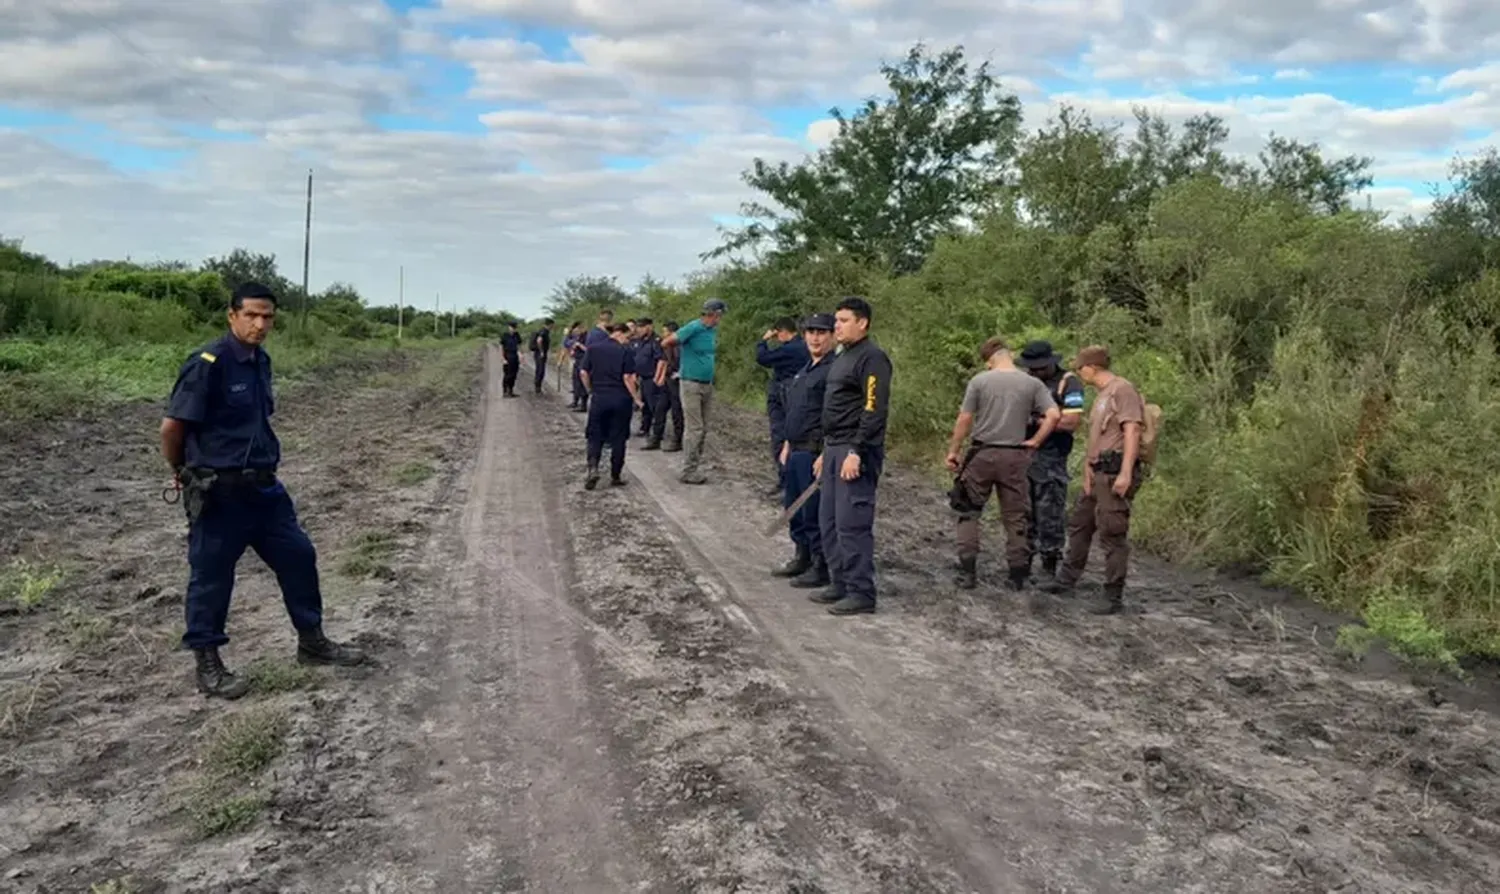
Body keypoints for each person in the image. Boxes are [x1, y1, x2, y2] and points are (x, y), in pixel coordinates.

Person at [160, 281, 366, 700]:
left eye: (267, 317)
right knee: (212, 578)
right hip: (220, 493)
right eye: (251, 315)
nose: (259, 324)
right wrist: (182, 471)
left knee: (299, 557)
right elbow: (172, 427)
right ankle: (209, 665)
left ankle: (312, 642)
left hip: (265, 490)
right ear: (231, 315)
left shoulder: (260, 361)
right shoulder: (207, 364)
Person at [945, 337, 1061, 591]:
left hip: (982, 454)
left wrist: (953, 451)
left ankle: (967, 573)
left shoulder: (979, 381)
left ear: (991, 358)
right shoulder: (1032, 383)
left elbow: (965, 418)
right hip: (1015, 457)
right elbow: (1053, 415)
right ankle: (1016, 576)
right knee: (1016, 516)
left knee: (969, 511)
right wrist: (1035, 441)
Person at [1041, 345, 1145, 615]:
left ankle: (1113, 595)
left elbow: (1131, 430)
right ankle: (1066, 579)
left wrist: (1125, 472)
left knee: (1112, 532)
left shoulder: (1123, 390)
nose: (1078, 372)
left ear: (1093, 367)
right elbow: (1098, 435)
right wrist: (1088, 466)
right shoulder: (1102, 395)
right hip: (1097, 470)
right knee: (1080, 524)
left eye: (1080, 367)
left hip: (1113, 471)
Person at [808, 297, 891, 616]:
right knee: (828, 520)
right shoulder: (843, 356)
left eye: (843, 320)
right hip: (833, 448)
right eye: (837, 320)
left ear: (863, 323)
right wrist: (825, 451)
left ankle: (861, 591)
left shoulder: (872, 359)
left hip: (855, 450)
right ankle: (839, 581)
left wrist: (857, 450)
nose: (836, 326)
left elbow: (873, 410)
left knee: (851, 523)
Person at [771, 313, 836, 588]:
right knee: (794, 507)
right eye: (811, 332)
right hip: (794, 449)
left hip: (813, 452)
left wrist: (825, 452)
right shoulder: (806, 368)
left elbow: (832, 416)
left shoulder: (833, 370)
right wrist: (786, 442)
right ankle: (802, 556)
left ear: (832, 335)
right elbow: (796, 411)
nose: (815, 338)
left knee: (813, 511)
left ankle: (820, 565)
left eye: (821, 332)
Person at [1018, 340, 1085, 582]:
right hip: (1024, 455)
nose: (1033, 372)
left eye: (1037, 368)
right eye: (1030, 369)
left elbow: (1071, 422)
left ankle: (1049, 565)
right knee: (1023, 512)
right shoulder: (1026, 382)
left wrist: (1040, 422)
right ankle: (1021, 563)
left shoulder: (1068, 383)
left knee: (1050, 513)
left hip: (1052, 457)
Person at [659, 298, 726, 484]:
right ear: (714, 313)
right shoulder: (693, 327)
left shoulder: (711, 331)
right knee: (695, 428)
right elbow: (667, 342)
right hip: (691, 383)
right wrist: (677, 362)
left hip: (707, 383)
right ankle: (688, 470)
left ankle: (694, 465)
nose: (719, 319)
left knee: (703, 428)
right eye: (719, 315)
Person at [579, 322, 644, 489]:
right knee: (619, 438)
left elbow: (583, 372)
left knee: (595, 436)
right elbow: (628, 378)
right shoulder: (625, 351)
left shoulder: (593, 349)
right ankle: (615, 475)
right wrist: (636, 398)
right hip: (621, 400)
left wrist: (590, 390)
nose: (628, 341)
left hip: (600, 398)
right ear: (620, 333)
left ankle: (593, 468)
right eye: (627, 337)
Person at [756, 317, 810, 497]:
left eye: (777, 333)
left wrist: (763, 341)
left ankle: (786, 483)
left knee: (781, 438)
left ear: (782, 331)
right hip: (799, 397)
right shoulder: (804, 346)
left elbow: (763, 358)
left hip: (784, 396)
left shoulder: (790, 348)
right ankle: (791, 483)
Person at [651, 320, 685, 452]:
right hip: (667, 381)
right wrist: (660, 377)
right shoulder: (667, 346)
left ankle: (678, 440)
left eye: (665, 331)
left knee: (677, 411)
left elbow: (685, 361)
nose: (663, 334)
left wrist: (679, 374)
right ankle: (656, 437)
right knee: (660, 409)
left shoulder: (680, 346)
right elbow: (664, 361)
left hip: (677, 381)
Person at [631, 318, 665, 442]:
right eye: (638, 327)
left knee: (653, 405)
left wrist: (657, 376)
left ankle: (656, 432)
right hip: (642, 377)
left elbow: (661, 359)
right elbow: (637, 357)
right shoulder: (640, 341)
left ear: (649, 327)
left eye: (641, 327)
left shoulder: (656, 341)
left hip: (652, 378)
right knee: (644, 404)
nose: (638, 329)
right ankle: (644, 428)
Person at [562, 322, 588, 411]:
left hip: (584, 361)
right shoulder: (578, 337)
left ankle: (583, 405)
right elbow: (566, 344)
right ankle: (575, 401)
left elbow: (589, 349)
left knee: (582, 383)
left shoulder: (587, 337)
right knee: (575, 381)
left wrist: (579, 345)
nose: (575, 332)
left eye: (576, 330)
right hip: (577, 360)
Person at [529, 318, 554, 394]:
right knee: (540, 370)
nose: (553, 327)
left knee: (539, 369)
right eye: (552, 325)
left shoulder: (543, 331)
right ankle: (537, 388)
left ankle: (538, 387)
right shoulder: (544, 331)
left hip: (539, 353)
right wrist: (541, 351)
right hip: (540, 354)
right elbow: (539, 341)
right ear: (550, 324)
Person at [499, 320, 522, 397]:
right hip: (507, 356)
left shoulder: (517, 335)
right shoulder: (505, 335)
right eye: (512, 327)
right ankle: (505, 391)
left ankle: (510, 391)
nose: (513, 329)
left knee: (514, 374)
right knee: (507, 374)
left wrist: (520, 355)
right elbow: (502, 347)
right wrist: (503, 358)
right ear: (509, 327)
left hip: (515, 356)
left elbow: (518, 346)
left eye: (514, 327)